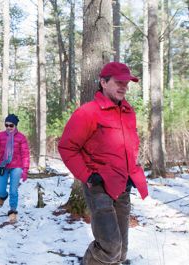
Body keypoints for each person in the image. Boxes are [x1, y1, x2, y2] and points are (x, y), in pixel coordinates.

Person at [58, 62, 148, 265]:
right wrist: (89, 176)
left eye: (126, 83)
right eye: (118, 82)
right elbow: (67, 147)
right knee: (110, 248)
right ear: (103, 82)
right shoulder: (87, 112)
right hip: (99, 188)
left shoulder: (128, 112)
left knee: (121, 253)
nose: (124, 86)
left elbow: (129, 146)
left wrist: (132, 173)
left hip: (123, 187)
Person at [0, 114, 30, 223]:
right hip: (2, 166)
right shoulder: (0, 136)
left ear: (15, 125)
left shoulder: (21, 137)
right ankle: (3, 196)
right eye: (7, 125)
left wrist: (25, 169)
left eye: (11, 125)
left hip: (16, 166)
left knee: (13, 190)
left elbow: (25, 154)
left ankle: (13, 211)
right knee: (1, 189)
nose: (9, 127)